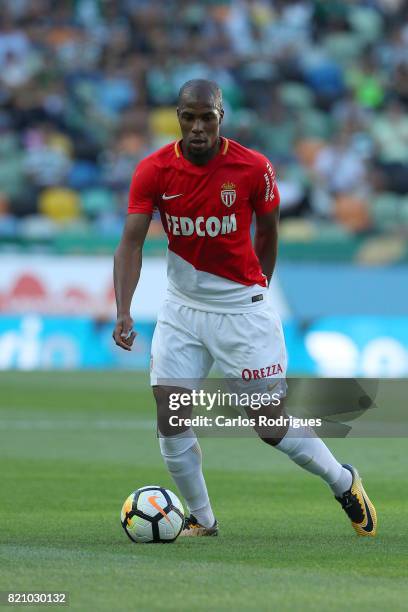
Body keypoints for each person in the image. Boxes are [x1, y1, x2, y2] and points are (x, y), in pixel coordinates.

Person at [113, 79, 377, 537]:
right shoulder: (154, 170)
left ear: (221, 116)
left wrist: (257, 292)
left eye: (207, 117)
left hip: (241, 309)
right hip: (182, 308)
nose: (197, 127)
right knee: (169, 413)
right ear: (178, 117)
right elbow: (130, 244)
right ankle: (203, 518)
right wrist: (123, 309)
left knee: (268, 426)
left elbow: (269, 233)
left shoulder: (254, 167)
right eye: (188, 117)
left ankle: (343, 481)